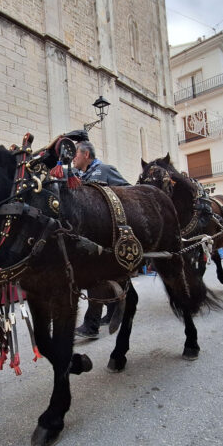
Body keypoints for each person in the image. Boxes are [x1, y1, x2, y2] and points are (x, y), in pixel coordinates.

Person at [71, 140, 129, 339]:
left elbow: (127, 191)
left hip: (105, 232)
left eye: (76, 154)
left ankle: (91, 325)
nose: (73, 158)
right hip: (86, 234)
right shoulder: (76, 176)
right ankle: (111, 312)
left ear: (86, 155)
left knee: (95, 275)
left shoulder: (105, 170)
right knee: (103, 275)